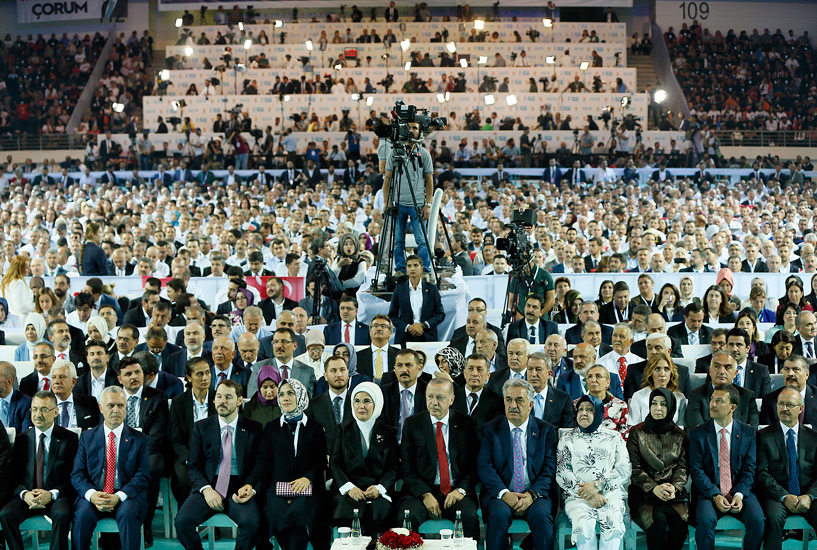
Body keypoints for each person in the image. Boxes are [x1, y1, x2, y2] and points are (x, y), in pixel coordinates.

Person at [175, 379, 264, 550]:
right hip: (209, 485)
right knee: (182, 522)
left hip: (240, 487)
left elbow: (260, 465)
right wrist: (206, 490)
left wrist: (250, 487)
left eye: (228, 397)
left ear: (239, 401)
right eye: (219, 396)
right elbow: (193, 465)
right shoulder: (202, 427)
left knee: (252, 524)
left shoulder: (254, 428)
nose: (222, 401)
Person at [478, 378, 558, 550]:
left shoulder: (545, 430)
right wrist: (505, 493)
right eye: (508, 400)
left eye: (519, 400)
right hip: (502, 493)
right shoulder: (491, 429)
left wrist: (532, 495)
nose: (513, 405)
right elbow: (485, 467)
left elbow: (549, 469)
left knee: (541, 516)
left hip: (535, 494)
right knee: (498, 515)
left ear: (530, 404)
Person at [399, 377, 481, 539]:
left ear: (451, 400)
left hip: (456, 490)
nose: (434, 402)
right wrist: (425, 494)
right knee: (407, 518)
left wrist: (461, 490)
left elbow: (474, 465)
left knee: (469, 518)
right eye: (430, 397)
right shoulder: (412, 424)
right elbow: (407, 467)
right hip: (421, 491)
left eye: (440, 398)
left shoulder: (466, 424)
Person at [70, 386, 150, 550]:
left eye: (120, 405)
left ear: (126, 408)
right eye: (110, 405)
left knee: (128, 514)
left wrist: (119, 496)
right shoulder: (87, 437)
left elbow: (142, 475)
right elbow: (77, 474)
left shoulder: (140, 439)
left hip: (126, 495)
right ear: (100, 408)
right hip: (95, 495)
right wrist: (92, 495)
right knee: (83, 514)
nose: (116, 410)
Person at [687, 384, 765, 550]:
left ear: (733, 407)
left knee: (758, 520)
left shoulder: (747, 433)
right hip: (709, 492)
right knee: (705, 520)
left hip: (739, 490)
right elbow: (697, 470)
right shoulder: (697, 433)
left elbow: (749, 469)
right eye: (712, 400)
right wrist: (715, 495)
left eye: (719, 401)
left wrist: (739, 494)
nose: (713, 404)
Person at [0, 390, 79, 550]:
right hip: (27, 496)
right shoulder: (22, 439)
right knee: (6, 514)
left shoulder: (69, 439)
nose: (38, 414)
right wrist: (24, 494)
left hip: (57, 497)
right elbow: (14, 476)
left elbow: (74, 476)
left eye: (44, 409)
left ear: (55, 412)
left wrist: (52, 494)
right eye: (34, 409)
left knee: (63, 514)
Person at [259, 378, 328, 550]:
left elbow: (321, 462)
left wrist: (307, 478)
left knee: (299, 514)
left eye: (291, 393)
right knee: (277, 511)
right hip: (277, 490)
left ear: (301, 395)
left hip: (307, 490)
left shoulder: (315, 428)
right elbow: (264, 462)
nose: (285, 398)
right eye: (281, 394)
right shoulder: (271, 428)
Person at [557, 394, 631, 550]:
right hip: (577, 496)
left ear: (598, 412)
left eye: (589, 409)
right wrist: (588, 494)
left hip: (610, 495)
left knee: (613, 520)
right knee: (583, 523)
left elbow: (624, 468)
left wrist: (598, 485)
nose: (583, 413)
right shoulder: (567, 439)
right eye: (580, 410)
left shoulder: (614, 437)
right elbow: (563, 472)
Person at [329, 382, 399, 535]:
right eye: (357, 401)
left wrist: (380, 488)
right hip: (349, 491)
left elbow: (393, 467)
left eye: (367, 401)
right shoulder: (342, 429)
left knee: (380, 511)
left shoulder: (388, 432)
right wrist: (349, 488)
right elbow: (335, 464)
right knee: (345, 510)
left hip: (377, 491)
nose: (361, 406)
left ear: (377, 403)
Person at [626, 387, 689, 550]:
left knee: (680, 522)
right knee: (658, 521)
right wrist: (653, 488)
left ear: (671, 407)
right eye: (654, 403)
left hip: (672, 494)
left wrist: (674, 487)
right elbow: (634, 468)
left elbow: (682, 467)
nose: (658, 408)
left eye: (663, 404)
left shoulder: (679, 434)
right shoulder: (636, 432)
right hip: (643, 493)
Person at [756, 388, 817, 550]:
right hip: (776, 496)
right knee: (773, 516)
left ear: (800, 409)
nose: (784, 409)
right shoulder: (763, 436)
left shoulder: (813, 437)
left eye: (790, 405)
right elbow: (762, 473)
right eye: (781, 404)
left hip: (807, 494)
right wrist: (784, 496)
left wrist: (810, 496)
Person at [382, 121, 434, 276]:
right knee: (398, 241)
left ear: (420, 132)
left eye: (415, 128)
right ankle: (400, 269)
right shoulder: (394, 153)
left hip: (418, 205)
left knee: (422, 241)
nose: (411, 131)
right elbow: (387, 180)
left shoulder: (424, 154)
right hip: (398, 204)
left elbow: (429, 181)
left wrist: (428, 204)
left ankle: (424, 270)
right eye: (409, 127)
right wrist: (387, 203)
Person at [169, 357, 216, 505]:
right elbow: (176, 439)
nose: (205, 378)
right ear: (189, 377)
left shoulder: (218, 398)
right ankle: (188, 515)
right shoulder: (178, 402)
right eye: (200, 374)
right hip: (188, 455)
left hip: (214, 454)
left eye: (208, 373)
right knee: (182, 479)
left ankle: (214, 519)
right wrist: (189, 458)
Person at [685, 351, 759, 428]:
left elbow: (752, 432)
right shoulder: (696, 396)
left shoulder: (747, 396)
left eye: (728, 367)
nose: (722, 372)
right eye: (717, 367)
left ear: (735, 373)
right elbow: (697, 432)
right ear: (710, 371)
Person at [388, 255, 445, 345]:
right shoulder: (399, 289)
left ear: (421, 268)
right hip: (405, 336)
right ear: (406, 269)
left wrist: (423, 325)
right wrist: (408, 327)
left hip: (427, 335)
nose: (412, 269)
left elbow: (440, 314)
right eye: (409, 266)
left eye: (415, 265)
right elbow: (392, 315)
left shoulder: (432, 289)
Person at [628, 353, 688, 427]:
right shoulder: (638, 396)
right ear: (650, 372)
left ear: (671, 372)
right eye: (657, 369)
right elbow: (633, 427)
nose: (662, 374)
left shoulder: (680, 398)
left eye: (666, 369)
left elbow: (681, 428)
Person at [526, 351, 574, 428]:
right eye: (530, 369)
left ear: (549, 374)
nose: (533, 374)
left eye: (538, 369)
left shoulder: (563, 400)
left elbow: (566, 433)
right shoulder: (518, 398)